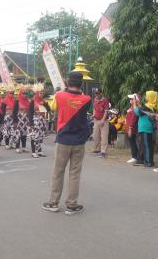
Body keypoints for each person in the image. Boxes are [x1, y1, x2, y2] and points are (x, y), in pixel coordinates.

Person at [42, 72, 91, 215]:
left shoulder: (59, 96)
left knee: (58, 171)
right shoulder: (87, 99)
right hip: (79, 141)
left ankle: (53, 202)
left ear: (68, 82)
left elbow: (51, 108)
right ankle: (72, 204)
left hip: (63, 139)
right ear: (81, 84)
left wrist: (60, 92)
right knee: (75, 173)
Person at [133, 91, 158, 167]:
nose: (146, 97)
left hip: (145, 128)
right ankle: (147, 160)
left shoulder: (148, 107)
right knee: (147, 145)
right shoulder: (151, 106)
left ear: (151, 97)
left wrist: (134, 103)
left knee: (147, 146)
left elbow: (137, 112)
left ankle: (148, 162)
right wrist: (138, 103)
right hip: (146, 128)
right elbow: (141, 109)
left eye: (147, 96)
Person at [92, 88, 110, 158]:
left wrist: (103, 120)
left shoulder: (105, 100)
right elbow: (94, 108)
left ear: (101, 93)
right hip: (96, 120)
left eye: (97, 93)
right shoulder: (95, 99)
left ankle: (103, 151)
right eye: (95, 93)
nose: (96, 95)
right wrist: (93, 115)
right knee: (95, 135)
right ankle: (97, 149)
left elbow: (106, 111)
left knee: (104, 136)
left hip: (103, 120)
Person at [125, 94, 140, 164]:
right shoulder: (131, 107)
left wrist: (130, 128)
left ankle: (135, 157)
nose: (130, 100)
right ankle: (134, 156)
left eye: (132, 99)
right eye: (130, 99)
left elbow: (133, 119)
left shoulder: (135, 108)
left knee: (133, 142)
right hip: (129, 127)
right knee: (132, 142)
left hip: (132, 128)